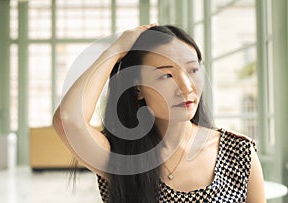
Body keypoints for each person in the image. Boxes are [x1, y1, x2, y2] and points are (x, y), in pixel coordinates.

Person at [52, 24, 266, 203]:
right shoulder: (122, 157)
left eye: (192, 70)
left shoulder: (238, 153)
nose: (186, 87)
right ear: (137, 88)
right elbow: (68, 120)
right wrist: (115, 51)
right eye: (166, 75)